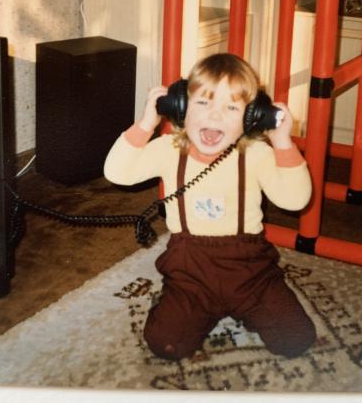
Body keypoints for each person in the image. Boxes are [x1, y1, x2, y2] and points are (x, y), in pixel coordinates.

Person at [104, 53, 316, 360]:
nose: (215, 117)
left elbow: (295, 200)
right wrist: (146, 123)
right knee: (166, 344)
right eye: (203, 103)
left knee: (296, 339)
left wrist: (283, 143)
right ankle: (186, 309)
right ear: (179, 108)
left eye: (231, 108)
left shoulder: (256, 153)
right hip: (190, 273)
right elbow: (117, 173)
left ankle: (244, 308)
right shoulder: (168, 150)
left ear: (251, 118)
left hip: (250, 271)